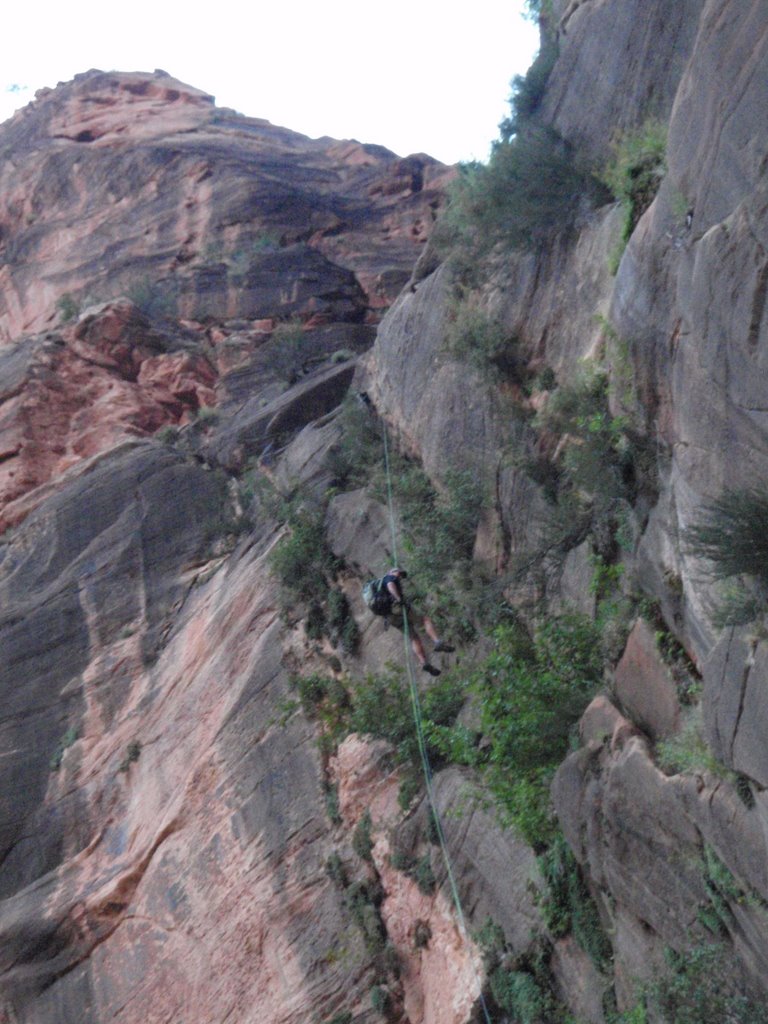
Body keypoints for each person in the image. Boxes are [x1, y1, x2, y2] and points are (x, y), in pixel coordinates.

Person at [380, 567, 454, 676]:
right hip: (399, 608)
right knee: (425, 620)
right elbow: (391, 586)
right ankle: (437, 642)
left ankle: (424, 662)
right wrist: (398, 599)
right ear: (394, 572)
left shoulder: (379, 589)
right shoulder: (389, 577)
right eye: (400, 574)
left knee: (413, 637)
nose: (400, 577)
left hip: (390, 617)